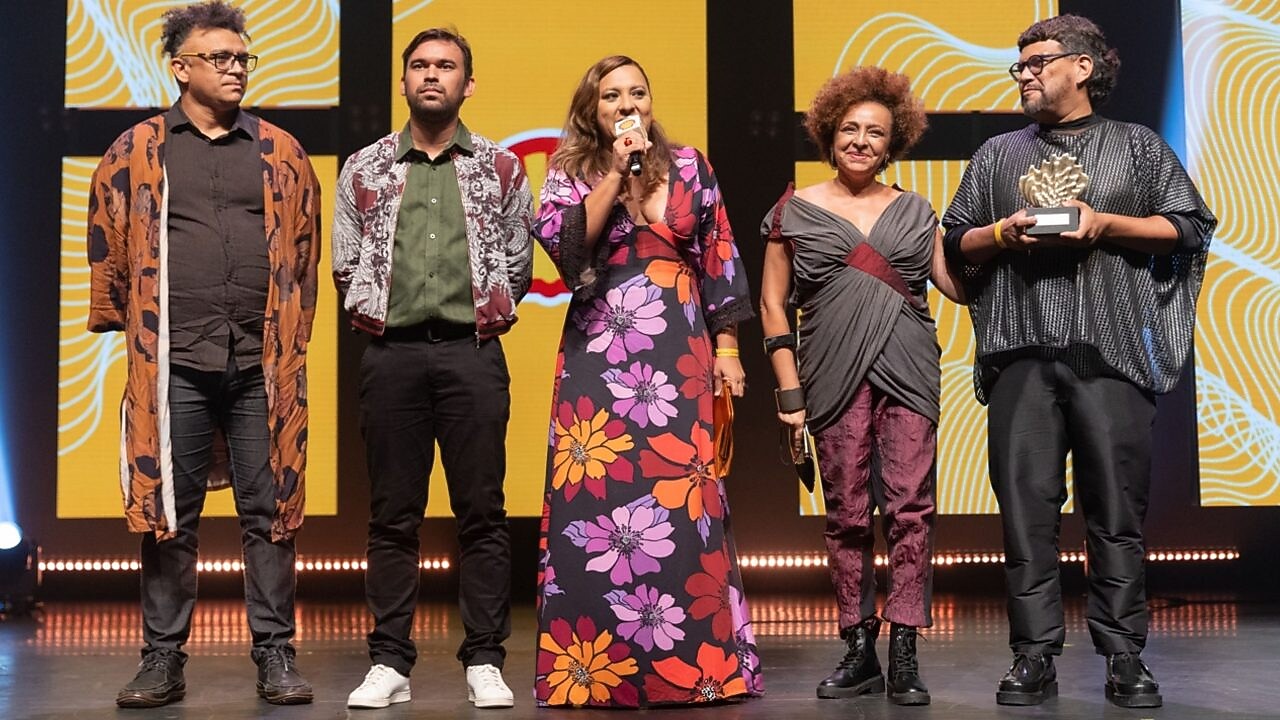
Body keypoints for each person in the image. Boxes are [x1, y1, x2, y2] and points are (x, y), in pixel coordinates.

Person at [940, 15, 1216, 709]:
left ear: (1083, 67)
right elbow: (955, 242)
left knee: (1116, 511)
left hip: (1110, 352)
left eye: (1037, 63)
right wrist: (1001, 232)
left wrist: (1106, 224)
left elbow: (1188, 227)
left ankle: (1124, 656)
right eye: (1020, 67)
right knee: (1025, 513)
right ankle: (1033, 655)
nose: (1024, 76)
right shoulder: (998, 154)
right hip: (1021, 354)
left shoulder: (1138, 146)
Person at [86, 0, 320, 708]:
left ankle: (276, 654)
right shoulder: (137, 149)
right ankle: (161, 658)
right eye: (220, 58)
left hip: (259, 363)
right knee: (170, 515)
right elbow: (109, 240)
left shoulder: (280, 150)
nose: (236, 69)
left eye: (243, 58)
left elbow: (304, 249)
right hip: (175, 362)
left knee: (270, 511)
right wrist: (124, 323)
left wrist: (293, 335)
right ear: (180, 68)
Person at [530, 55, 761, 708]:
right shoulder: (570, 171)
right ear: (593, 110)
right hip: (599, 352)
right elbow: (565, 248)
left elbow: (719, 253)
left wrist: (727, 346)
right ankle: (594, 672)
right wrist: (614, 171)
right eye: (612, 96)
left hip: (679, 349)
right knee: (598, 499)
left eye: (637, 92)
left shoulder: (690, 165)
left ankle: (697, 669)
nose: (627, 105)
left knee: (683, 497)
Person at [332, 27, 533, 710]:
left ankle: (485, 659)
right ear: (403, 80)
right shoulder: (364, 166)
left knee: (483, 513)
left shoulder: (501, 167)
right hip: (391, 356)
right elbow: (345, 262)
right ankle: (389, 661)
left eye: (445, 66)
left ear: (467, 84)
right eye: (419, 64)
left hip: (471, 354)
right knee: (393, 516)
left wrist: (479, 307)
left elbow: (518, 263)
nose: (431, 75)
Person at [759, 66, 961, 707]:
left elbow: (955, 284)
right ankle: (858, 647)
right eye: (850, 128)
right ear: (829, 132)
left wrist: (1003, 240)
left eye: (876, 132)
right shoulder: (792, 210)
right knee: (846, 513)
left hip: (908, 367)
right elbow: (771, 305)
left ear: (892, 142)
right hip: (830, 372)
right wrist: (789, 395)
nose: (861, 141)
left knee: (910, 509)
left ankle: (905, 649)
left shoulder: (915, 209)